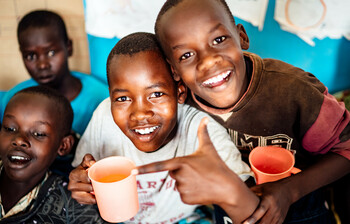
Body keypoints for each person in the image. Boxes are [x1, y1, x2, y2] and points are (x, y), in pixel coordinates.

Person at [136, 0, 350, 223]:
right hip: (228, 212)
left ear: (241, 37)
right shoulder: (180, 105)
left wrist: (290, 191)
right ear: (174, 70)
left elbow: (346, 150)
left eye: (218, 40)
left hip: (302, 206)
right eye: (186, 55)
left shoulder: (295, 92)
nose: (209, 61)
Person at [68, 32, 259, 224]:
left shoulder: (202, 131)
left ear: (179, 93)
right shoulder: (104, 116)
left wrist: (228, 188)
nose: (140, 114)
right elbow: (82, 169)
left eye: (156, 94)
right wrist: (81, 183)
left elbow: (250, 197)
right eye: (123, 99)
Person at [0, 86, 107, 223]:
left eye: (38, 134)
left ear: (63, 146)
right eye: (10, 128)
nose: (19, 140)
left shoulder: (75, 209)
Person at [0, 10, 109, 137]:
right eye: (30, 56)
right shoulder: (14, 99)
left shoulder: (100, 99)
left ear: (68, 47)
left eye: (51, 53)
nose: (42, 65)